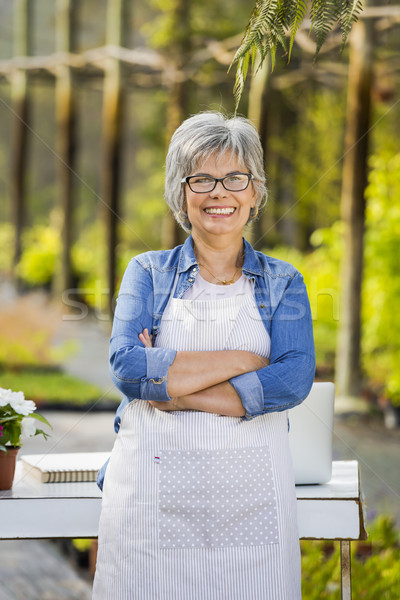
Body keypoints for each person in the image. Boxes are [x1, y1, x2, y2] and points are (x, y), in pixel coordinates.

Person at [93, 111, 315, 600]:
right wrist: (246, 359)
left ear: (254, 193)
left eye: (236, 178)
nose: (220, 192)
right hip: (151, 506)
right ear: (181, 193)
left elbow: (294, 379)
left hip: (252, 507)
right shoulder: (147, 272)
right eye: (202, 179)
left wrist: (176, 391)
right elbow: (129, 369)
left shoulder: (284, 282)